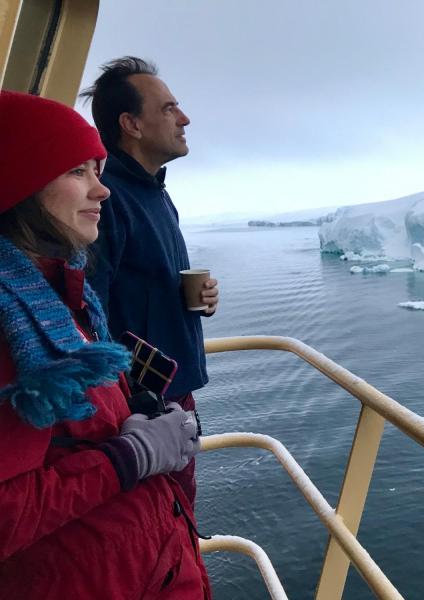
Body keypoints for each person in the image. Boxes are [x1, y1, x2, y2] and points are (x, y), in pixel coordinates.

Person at [0, 90, 212, 599]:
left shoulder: (57, 294)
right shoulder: (11, 323)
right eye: (78, 171)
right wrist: (131, 454)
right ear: (20, 182)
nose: (103, 191)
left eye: (98, 170)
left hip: (138, 562)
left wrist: (134, 413)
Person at [81, 57, 219, 505]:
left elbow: (140, 285)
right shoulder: (106, 200)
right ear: (131, 124)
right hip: (141, 410)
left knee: (174, 521)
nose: (184, 118)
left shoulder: (155, 192)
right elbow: (87, 314)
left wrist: (197, 298)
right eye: (168, 108)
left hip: (169, 396)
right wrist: (129, 410)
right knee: (163, 524)